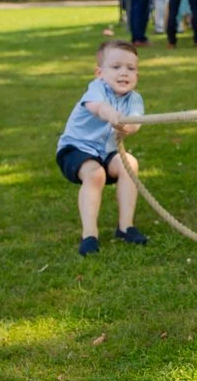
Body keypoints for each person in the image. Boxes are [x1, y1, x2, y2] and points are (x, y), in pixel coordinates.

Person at [56, 40, 148, 256]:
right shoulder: (96, 89)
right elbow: (98, 107)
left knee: (130, 164)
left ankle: (126, 227)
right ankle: (89, 234)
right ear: (99, 72)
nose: (124, 73)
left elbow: (136, 122)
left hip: (106, 152)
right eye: (116, 67)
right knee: (95, 174)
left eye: (131, 68)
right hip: (75, 148)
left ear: (137, 75)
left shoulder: (134, 99)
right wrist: (112, 115)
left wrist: (128, 126)